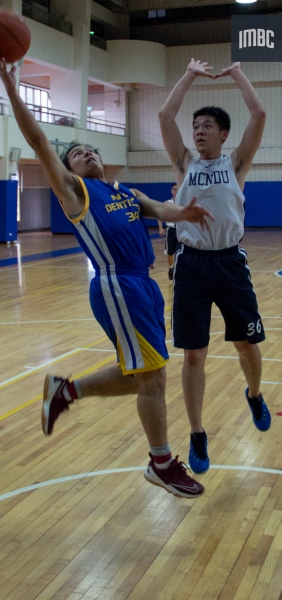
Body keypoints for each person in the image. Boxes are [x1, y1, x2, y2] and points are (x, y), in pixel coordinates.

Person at [0, 51, 214, 499]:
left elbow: (160, 210)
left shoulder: (123, 192)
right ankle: (161, 462)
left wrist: (182, 212)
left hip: (143, 285)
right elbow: (37, 141)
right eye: (76, 154)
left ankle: (65, 391)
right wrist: (11, 87)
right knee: (154, 377)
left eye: (90, 149)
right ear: (68, 169)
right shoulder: (75, 192)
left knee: (140, 373)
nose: (86, 153)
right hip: (116, 285)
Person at [158, 59, 270, 475]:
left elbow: (259, 114)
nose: (198, 130)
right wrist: (187, 73)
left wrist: (237, 72)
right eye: (196, 126)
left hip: (229, 263)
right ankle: (197, 432)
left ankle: (255, 395)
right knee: (193, 356)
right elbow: (165, 115)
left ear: (223, 135)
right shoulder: (184, 164)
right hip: (191, 266)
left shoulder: (236, 164)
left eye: (207, 125)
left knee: (247, 345)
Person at [157, 183, 179, 280]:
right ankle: (171, 268)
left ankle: (179, 269)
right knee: (170, 252)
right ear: (171, 191)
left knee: (180, 251)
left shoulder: (183, 202)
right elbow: (159, 216)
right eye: (175, 189)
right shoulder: (167, 203)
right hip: (171, 230)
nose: (176, 191)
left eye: (178, 189)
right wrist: (161, 228)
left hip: (181, 229)